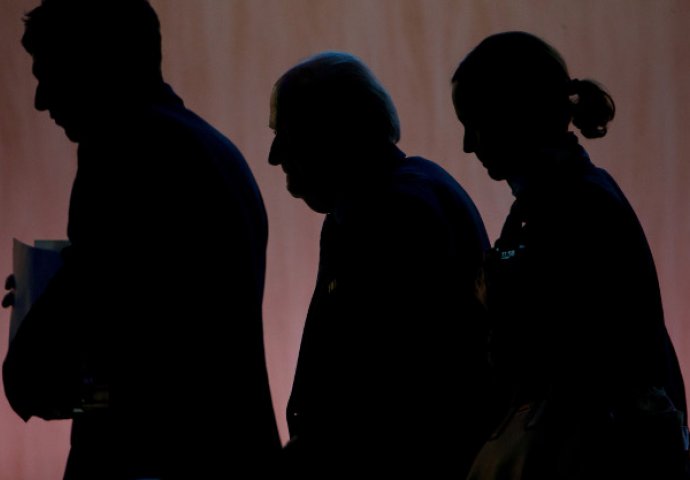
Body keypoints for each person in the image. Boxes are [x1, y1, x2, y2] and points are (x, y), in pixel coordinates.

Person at [2, 0, 280, 478]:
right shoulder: (213, 150)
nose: (41, 101)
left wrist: (37, 333)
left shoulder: (123, 151)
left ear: (97, 63)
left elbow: (111, 346)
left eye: (51, 74)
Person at [451, 31, 689, 479]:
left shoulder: (573, 207)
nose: (468, 144)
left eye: (475, 123)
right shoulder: (568, 196)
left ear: (514, 115)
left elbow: (557, 354)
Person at [269, 51, 495, 477]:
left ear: (336, 133)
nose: (274, 156)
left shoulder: (389, 214)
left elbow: (382, 391)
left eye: (288, 134)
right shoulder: (397, 197)